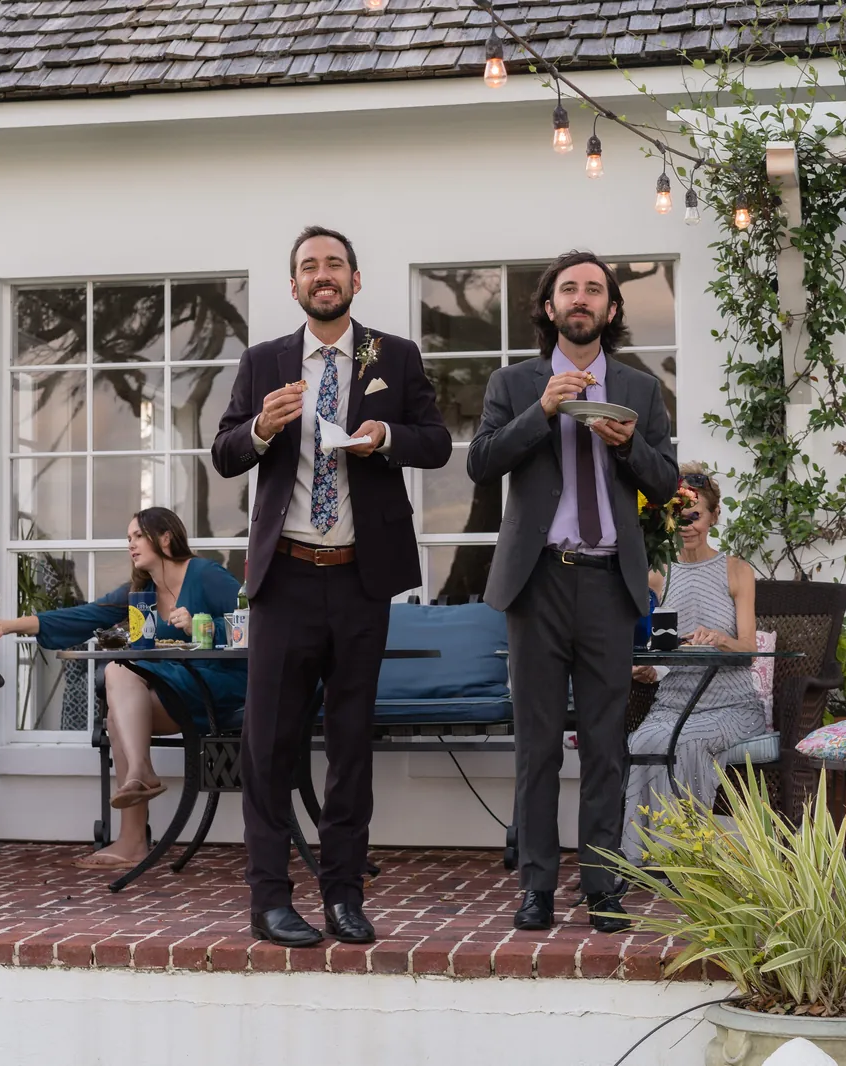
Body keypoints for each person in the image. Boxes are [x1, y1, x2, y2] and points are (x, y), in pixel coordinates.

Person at [211, 225, 452, 948]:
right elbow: (224, 454)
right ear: (293, 286)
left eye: (335, 265)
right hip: (283, 578)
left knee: (351, 745)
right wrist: (258, 427)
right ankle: (270, 898)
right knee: (269, 746)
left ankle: (345, 894)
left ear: (354, 279)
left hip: (359, 579)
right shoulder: (264, 362)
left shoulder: (393, 357)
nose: (323, 275)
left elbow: (437, 441)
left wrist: (388, 439)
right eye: (309, 266)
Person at [468, 250, 677, 934]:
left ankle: (603, 886)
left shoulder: (641, 391)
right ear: (549, 306)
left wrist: (626, 445)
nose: (581, 299)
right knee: (537, 746)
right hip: (537, 583)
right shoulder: (514, 381)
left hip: (609, 585)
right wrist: (541, 411)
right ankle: (535, 888)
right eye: (569, 289)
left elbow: (666, 483)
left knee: (605, 744)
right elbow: (481, 462)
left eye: (595, 289)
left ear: (612, 310)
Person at [0, 507, 244, 871]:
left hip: (221, 687)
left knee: (117, 681)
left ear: (165, 537)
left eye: (138, 536)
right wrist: (7, 625)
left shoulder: (205, 575)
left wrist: (202, 624)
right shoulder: (141, 592)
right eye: (128, 538)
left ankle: (135, 815)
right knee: (117, 704)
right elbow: (83, 616)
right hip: (179, 692)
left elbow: (255, 620)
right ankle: (135, 817)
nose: (130, 544)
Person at [621, 465, 763, 862]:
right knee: (642, 742)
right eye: (679, 517)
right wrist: (648, 668)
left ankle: (681, 855)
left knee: (688, 743)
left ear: (714, 516)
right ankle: (641, 857)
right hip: (671, 703)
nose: (687, 526)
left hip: (730, 706)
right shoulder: (658, 573)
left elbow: (750, 648)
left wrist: (721, 639)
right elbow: (657, 644)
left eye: (695, 516)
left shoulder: (736, 571)